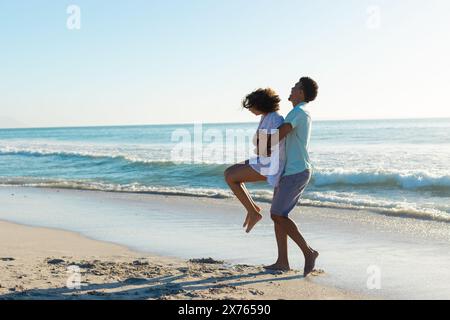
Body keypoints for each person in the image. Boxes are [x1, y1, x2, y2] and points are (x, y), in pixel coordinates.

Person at [258, 77, 319, 277]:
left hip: (296, 170)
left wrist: (261, 144)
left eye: (295, 87)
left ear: (301, 93)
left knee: (277, 214)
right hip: (289, 171)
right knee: (278, 216)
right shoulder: (300, 112)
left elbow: (280, 134)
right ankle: (282, 261)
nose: (291, 89)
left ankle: (308, 252)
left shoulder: (299, 112)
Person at [224, 88, 286, 234]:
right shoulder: (266, 117)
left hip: (271, 164)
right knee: (228, 173)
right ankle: (253, 209)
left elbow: (264, 149)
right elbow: (261, 147)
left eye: (251, 105)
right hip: (264, 159)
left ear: (260, 104)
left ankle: (253, 212)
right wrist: (259, 146)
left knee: (231, 177)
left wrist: (259, 146)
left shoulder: (273, 119)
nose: (250, 109)